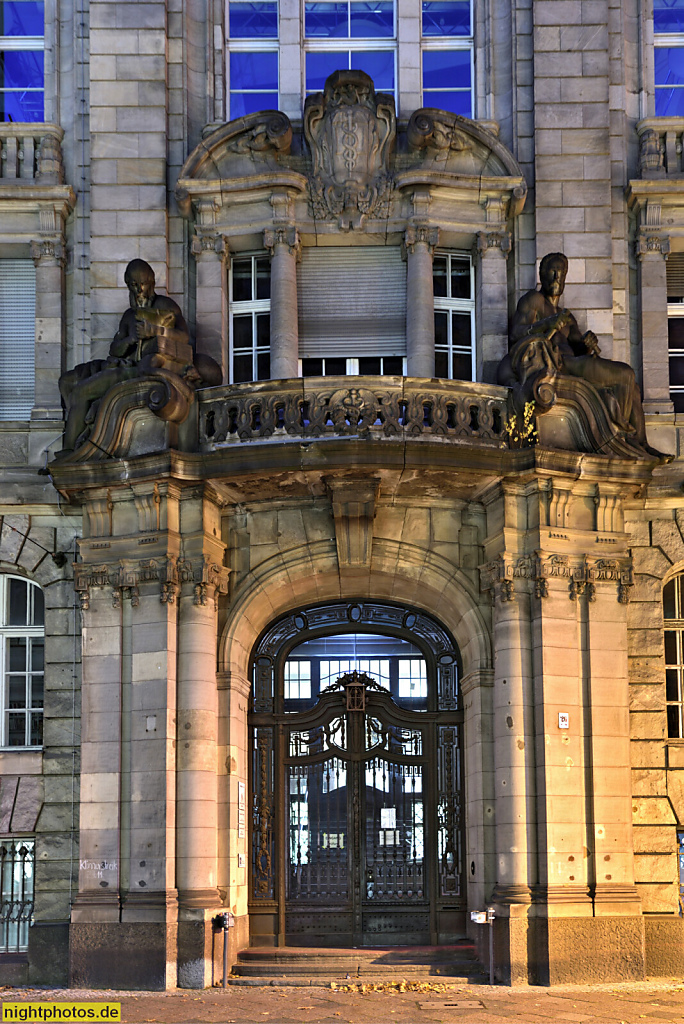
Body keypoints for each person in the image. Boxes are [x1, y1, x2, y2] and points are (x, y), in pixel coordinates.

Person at [499, 252, 662, 458]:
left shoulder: (567, 317)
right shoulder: (534, 300)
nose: (557, 278)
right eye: (553, 271)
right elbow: (516, 334)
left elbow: (578, 344)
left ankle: (640, 442)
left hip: (575, 362)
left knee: (632, 386)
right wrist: (545, 324)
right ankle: (624, 441)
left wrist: (587, 342)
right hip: (560, 364)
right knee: (625, 374)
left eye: (562, 273)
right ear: (542, 274)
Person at [59, 259, 219, 454]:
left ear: (151, 282)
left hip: (134, 371)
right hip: (122, 365)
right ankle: (78, 443)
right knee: (68, 381)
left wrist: (155, 330)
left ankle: (68, 453)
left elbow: (184, 337)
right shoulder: (129, 315)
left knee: (80, 392)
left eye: (142, 283)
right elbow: (115, 349)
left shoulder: (165, 305)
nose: (139, 289)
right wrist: (131, 339)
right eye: (134, 285)